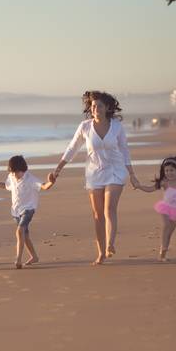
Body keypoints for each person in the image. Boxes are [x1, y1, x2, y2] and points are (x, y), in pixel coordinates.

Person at [49, 91, 140, 265]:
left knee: (108, 209)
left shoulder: (116, 126)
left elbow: (124, 150)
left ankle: (110, 244)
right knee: (97, 215)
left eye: (99, 106)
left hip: (115, 170)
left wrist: (132, 174)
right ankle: (101, 253)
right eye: (93, 106)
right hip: (94, 173)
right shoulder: (85, 126)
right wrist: (58, 169)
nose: (95, 109)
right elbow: (72, 148)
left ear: (106, 108)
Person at [0, 155, 55, 269]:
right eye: (13, 172)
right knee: (24, 235)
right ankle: (34, 256)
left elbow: (44, 186)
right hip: (16, 211)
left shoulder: (30, 179)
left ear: (23, 169)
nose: (15, 175)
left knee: (19, 231)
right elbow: (6, 186)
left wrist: (51, 182)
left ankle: (18, 259)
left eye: (17, 172)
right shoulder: (11, 177)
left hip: (29, 209)